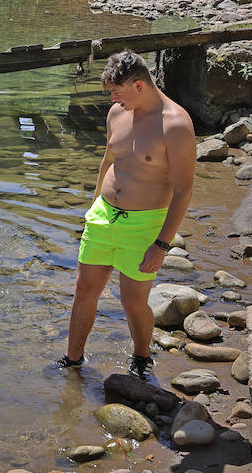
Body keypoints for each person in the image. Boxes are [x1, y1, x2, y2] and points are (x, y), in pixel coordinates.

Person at [55, 50, 195, 381]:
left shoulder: (175, 125)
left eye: (118, 92)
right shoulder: (118, 113)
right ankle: (72, 360)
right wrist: (92, 208)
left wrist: (161, 245)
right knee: (84, 289)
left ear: (139, 85)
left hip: (144, 224)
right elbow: (108, 160)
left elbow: (183, 190)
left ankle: (142, 356)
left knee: (132, 302)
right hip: (103, 216)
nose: (114, 99)